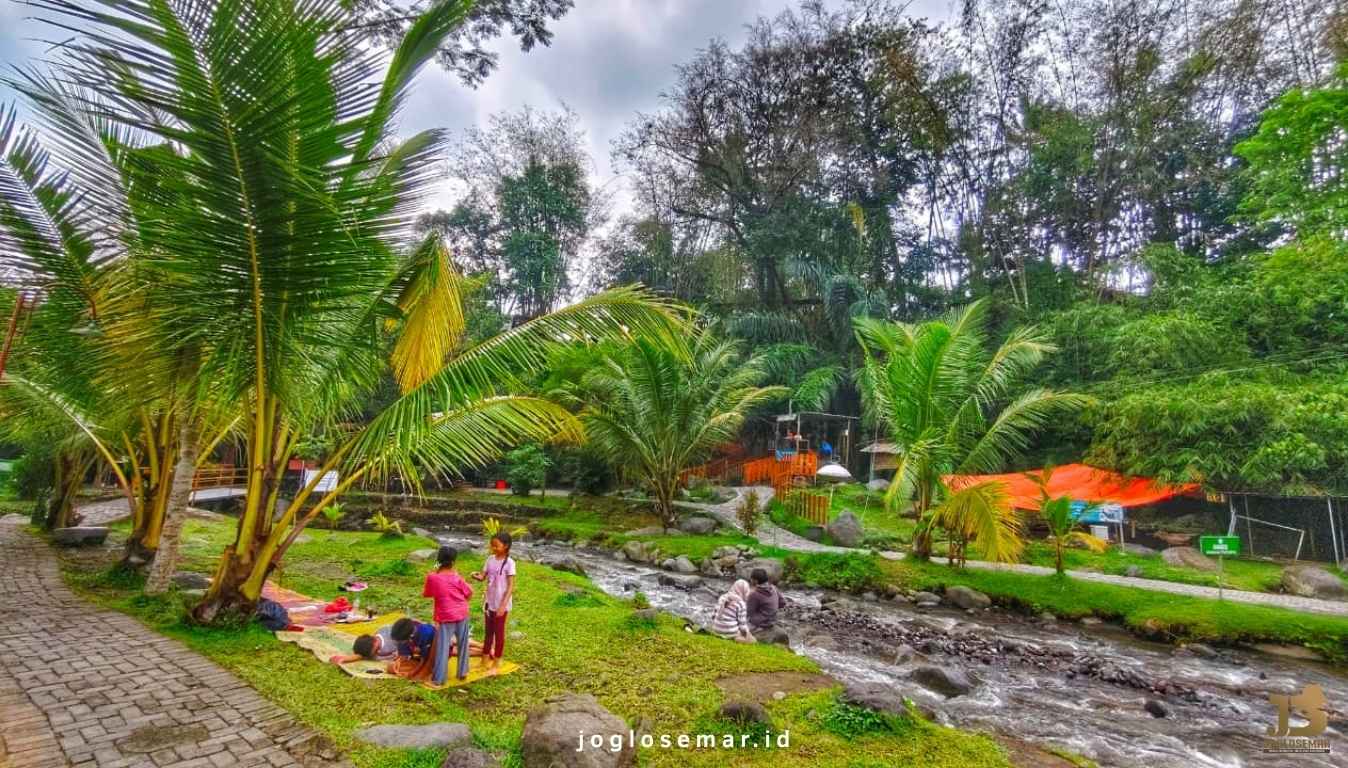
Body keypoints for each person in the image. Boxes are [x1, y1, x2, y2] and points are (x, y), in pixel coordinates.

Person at [422, 545, 474, 688]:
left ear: (438, 560)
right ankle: (462, 672)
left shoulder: (433, 577)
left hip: (446, 616)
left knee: (443, 647)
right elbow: (469, 593)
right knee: (463, 644)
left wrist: (435, 570)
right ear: (453, 562)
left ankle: (438, 680)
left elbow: (426, 594)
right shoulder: (457, 577)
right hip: (462, 612)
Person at [471, 530, 516, 676]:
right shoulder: (490, 559)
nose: (493, 548)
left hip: (501, 603)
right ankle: (484, 660)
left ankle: (497, 662)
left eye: (496, 546)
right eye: (492, 546)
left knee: (499, 633)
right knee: (488, 632)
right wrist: (476, 576)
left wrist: (503, 605)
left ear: (506, 546)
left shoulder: (510, 563)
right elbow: (484, 576)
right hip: (489, 602)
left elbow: (510, 586)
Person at [745, 568, 788, 644]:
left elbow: (748, 613)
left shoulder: (754, 594)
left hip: (760, 624)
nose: (750, 580)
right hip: (772, 621)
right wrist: (770, 608)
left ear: (756, 581)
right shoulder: (774, 588)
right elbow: (783, 603)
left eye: (751, 579)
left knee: (739, 624)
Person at [328, 624, 397, 665]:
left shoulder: (394, 640)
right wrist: (346, 658)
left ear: (374, 639)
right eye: (374, 653)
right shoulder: (376, 638)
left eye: (377, 649)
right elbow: (364, 656)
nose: (378, 652)